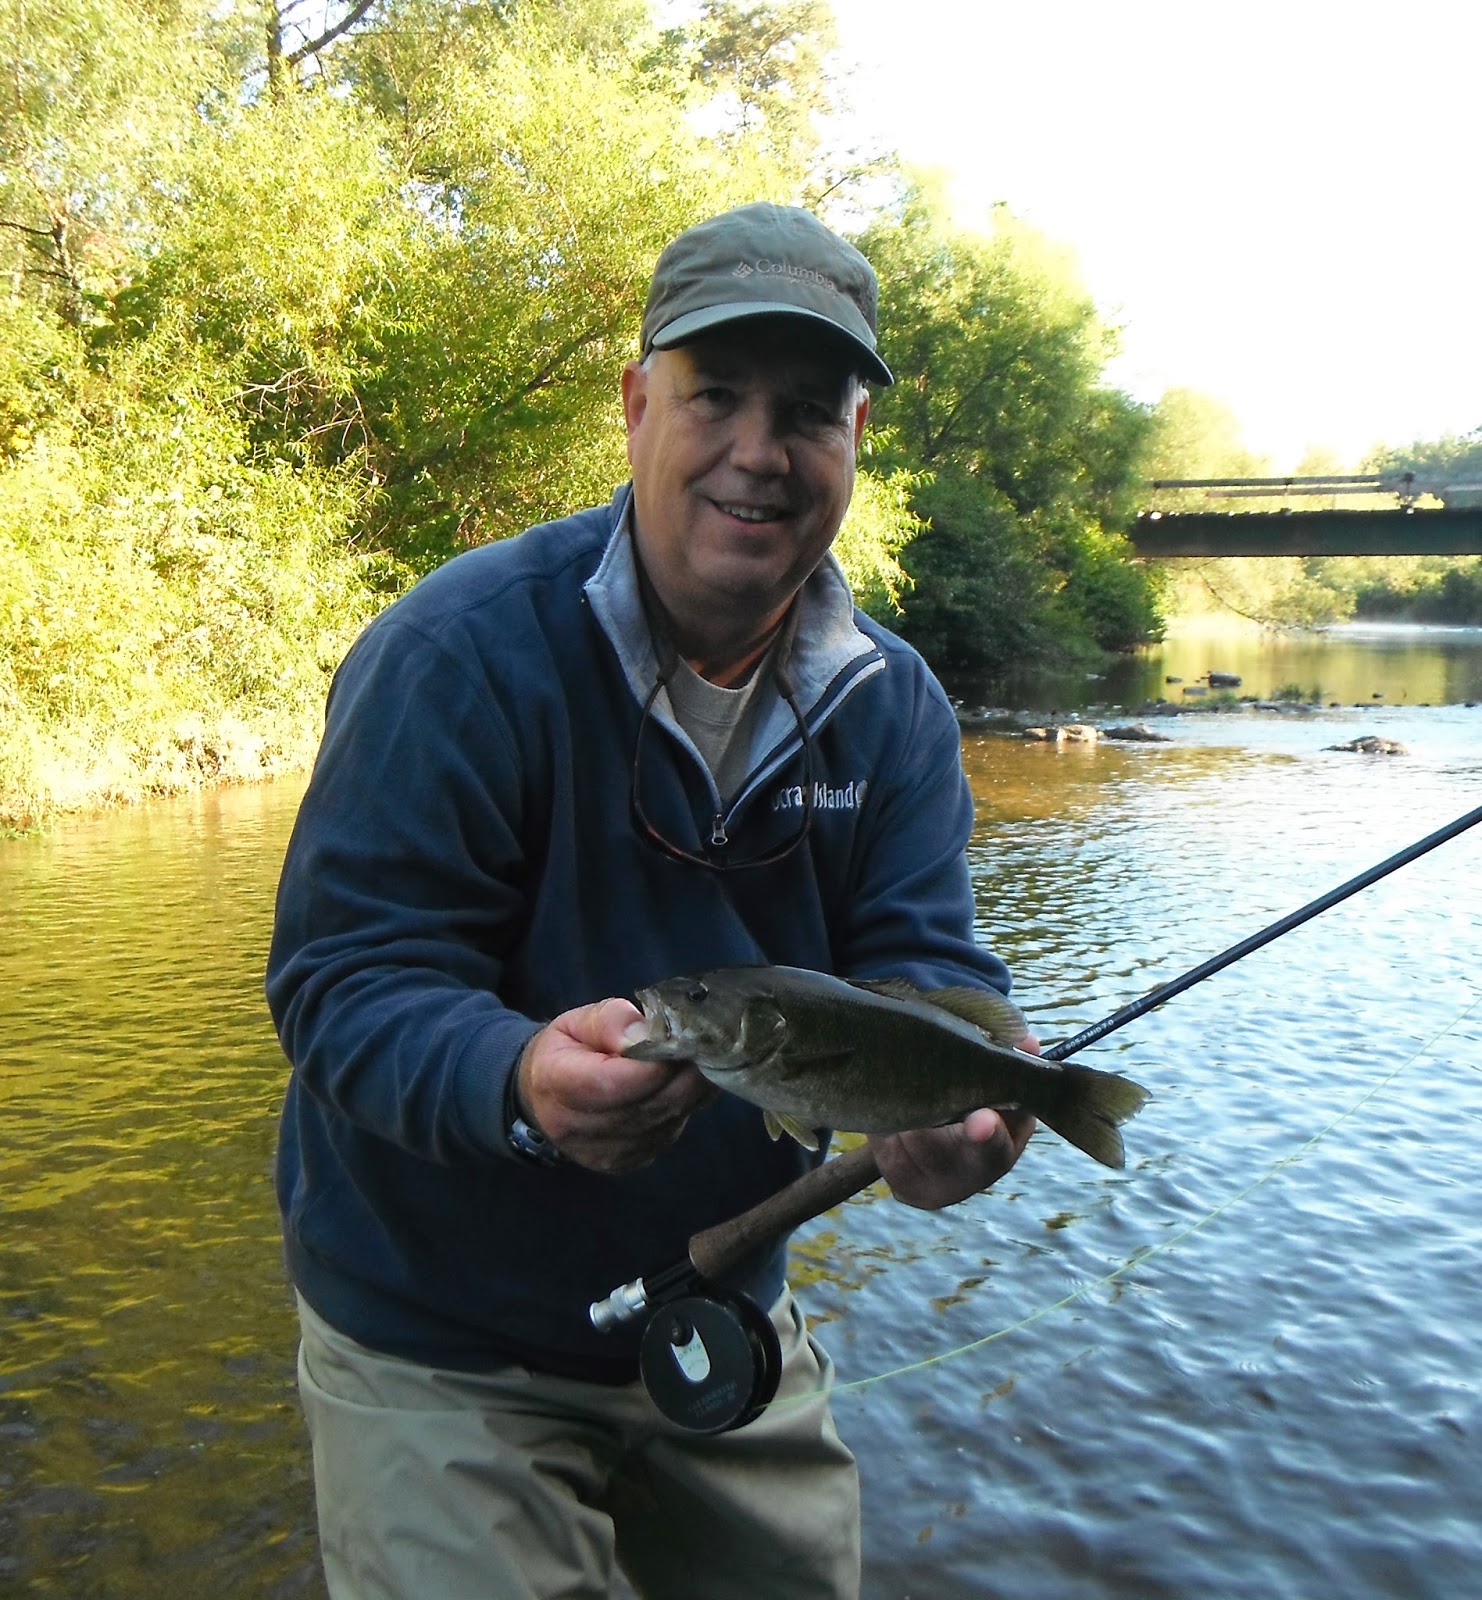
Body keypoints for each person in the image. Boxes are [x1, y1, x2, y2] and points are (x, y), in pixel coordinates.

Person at [265, 200, 1037, 1600]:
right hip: (437, 1333)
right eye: (715, 397)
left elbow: (920, 967)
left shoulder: (895, 708)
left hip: (722, 1303)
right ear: (634, 407)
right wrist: (512, 1076)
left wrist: (966, 1103)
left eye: (806, 410)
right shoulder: (457, 656)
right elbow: (345, 980)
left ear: (856, 443)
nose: (758, 450)